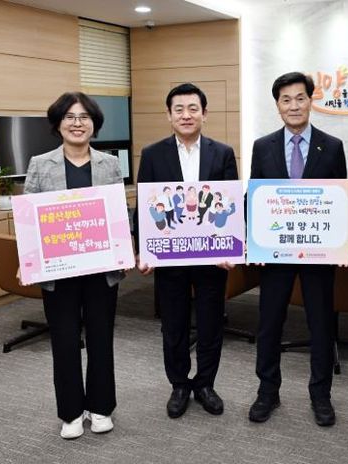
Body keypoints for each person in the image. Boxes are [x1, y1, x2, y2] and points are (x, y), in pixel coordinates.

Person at [248, 71, 347, 427]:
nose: (294, 106)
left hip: (318, 254)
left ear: (311, 101)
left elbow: (340, 200)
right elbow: (255, 197)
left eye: (300, 98)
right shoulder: (263, 147)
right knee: (269, 324)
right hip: (275, 254)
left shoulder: (332, 146)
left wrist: (342, 243)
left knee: (321, 325)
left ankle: (321, 394)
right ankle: (267, 391)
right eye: (286, 100)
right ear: (277, 105)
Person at [23, 91, 123, 439]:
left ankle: (101, 407)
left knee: (100, 339)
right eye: (69, 117)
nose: (77, 123)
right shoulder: (40, 164)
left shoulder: (110, 164)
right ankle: (70, 412)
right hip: (58, 271)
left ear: (94, 124)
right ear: (58, 123)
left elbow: (118, 216)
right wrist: (28, 259)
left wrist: (124, 252)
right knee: (64, 342)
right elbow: (28, 220)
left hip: (101, 270)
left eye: (84, 117)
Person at [135, 83, 238, 419]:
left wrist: (231, 247)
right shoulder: (153, 154)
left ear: (204, 114)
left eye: (193, 108)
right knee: (174, 326)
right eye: (178, 109)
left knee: (210, 324)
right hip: (170, 255)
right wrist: (143, 250)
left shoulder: (222, 153)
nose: (186, 115)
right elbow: (145, 206)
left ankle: (205, 384)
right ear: (169, 115)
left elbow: (230, 205)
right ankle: (179, 385)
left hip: (211, 257)